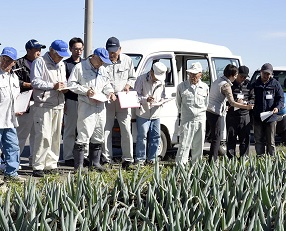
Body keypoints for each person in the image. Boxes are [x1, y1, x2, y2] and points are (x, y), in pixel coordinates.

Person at [68, 48, 116, 171]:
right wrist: (85, 91)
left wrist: (110, 92)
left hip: (100, 105)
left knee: (99, 133)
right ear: (93, 56)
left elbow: (107, 84)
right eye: (100, 60)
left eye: (103, 61)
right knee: (83, 134)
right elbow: (71, 84)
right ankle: (79, 166)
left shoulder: (103, 69)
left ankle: (95, 163)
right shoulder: (80, 67)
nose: (101, 63)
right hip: (86, 105)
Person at [30, 40, 70, 177]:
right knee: (43, 135)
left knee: (55, 136)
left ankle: (51, 164)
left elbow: (63, 81)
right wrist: (53, 85)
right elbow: (35, 81)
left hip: (58, 103)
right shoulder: (39, 62)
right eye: (59, 54)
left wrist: (64, 87)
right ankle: (38, 165)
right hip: (43, 104)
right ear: (52, 50)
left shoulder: (62, 64)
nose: (61, 58)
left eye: (63, 55)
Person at [206, 64, 253, 162]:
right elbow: (231, 102)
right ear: (232, 75)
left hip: (214, 111)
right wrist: (246, 106)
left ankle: (213, 160)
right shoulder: (227, 85)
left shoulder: (218, 81)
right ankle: (214, 161)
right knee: (218, 138)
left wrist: (247, 104)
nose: (239, 78)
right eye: (237, 75)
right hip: (222, 113)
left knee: (218, 138)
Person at [102, 37, 136, 169]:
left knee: (126, 129)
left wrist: (128, 85)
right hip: (108, 99)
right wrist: (110, 92)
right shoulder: (103, 62)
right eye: (110, 51)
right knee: (106, 130)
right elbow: (102, 80)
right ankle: (106, 159)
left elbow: (132, 77)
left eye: (114, 51)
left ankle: (128, 160)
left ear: (120, 49)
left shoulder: (127, 60)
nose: (112, 54)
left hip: (124, 99)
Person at [13, 39, 46, 166]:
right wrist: (29, 84)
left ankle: (34, 160)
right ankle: (13, 161)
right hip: (24, 102)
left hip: (40, 102)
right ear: (28, 50)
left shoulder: (43, 63)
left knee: (37, 134)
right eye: (36, 49)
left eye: (40, 49)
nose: (39, 52)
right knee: (21, 134)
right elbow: (15, 81)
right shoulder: (19, 63)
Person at [175, 62, 209, 165]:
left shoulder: (205, 87)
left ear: (200, 74)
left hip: (200, 119)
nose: (192, 76)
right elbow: (178, 103)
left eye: (195, 74)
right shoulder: (181, 86)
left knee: (198, 145)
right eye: (190, 74)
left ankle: (196, 166)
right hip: (187, 119)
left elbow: (206, 103)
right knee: (184, 144)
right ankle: (180, 167)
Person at [134, 62, 167, 164]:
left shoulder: (161, 81)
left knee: (156, 136)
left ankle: (152, 159)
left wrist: (162, 101)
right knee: (142, 136)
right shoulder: (141, 79)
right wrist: (146, 99)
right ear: (151, 72)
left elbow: (163, 95)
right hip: (143, 113)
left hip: (156, 113)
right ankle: (140, 159)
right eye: (156, 76)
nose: (157, 79)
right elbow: (135, 96)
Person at [0, 47, 25, 182]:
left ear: (14, 62)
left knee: (13, 147)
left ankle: (11, 174)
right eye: (4, 58)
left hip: (10, 120)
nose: (5, 62)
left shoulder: (14, 78)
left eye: (9, 60)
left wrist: (18, 108)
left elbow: (15, 98)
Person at [249, 63, 284, 156]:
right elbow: (249, 96)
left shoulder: (275, 84)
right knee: (258, 140)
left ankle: (271, 161)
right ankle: (260, 159)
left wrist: (277, 107)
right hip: (258, 117)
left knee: (271, 142)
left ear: (271, 74)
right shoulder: (255, 84)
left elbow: (280, 99)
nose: (266, 76)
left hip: (271, 117)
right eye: (264, 73)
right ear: (261, 72)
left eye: (268, 74)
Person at [62, 37, 84, 166]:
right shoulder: (65, 64)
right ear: (70, 49)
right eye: (76, 49)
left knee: (83, 130)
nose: (78, 51)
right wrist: (64, 102)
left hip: (85, 101)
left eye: (81, 49)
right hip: (70, 100)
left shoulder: (86, 64)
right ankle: (68, 156)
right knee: (70, 130)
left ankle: (82, 157)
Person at [226, 66, 252, 159]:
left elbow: (253, 98)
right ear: (237, 75)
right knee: (231, 139)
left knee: (245, 139)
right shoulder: (230, 85)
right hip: (232, 116)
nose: (243, 79)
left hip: (245, 116)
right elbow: (225, 100)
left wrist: (246, 103)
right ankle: (231, 160)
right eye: (241, 76)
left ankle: (244, 159)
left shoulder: (249, 85)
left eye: (245, 77)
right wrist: (235, 101)